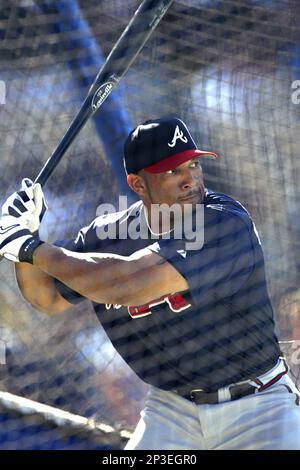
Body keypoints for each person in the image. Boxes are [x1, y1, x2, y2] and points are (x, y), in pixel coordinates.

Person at [0, 117, 299, 450]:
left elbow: (130, 284)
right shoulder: (107, 236)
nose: (190, 180)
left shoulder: (224, 222)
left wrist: (30, 249)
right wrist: (23, 242)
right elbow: (47, 299)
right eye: (172, 171)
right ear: (137, 184)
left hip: (258, 408)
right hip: (171, 411)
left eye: (194, 165)